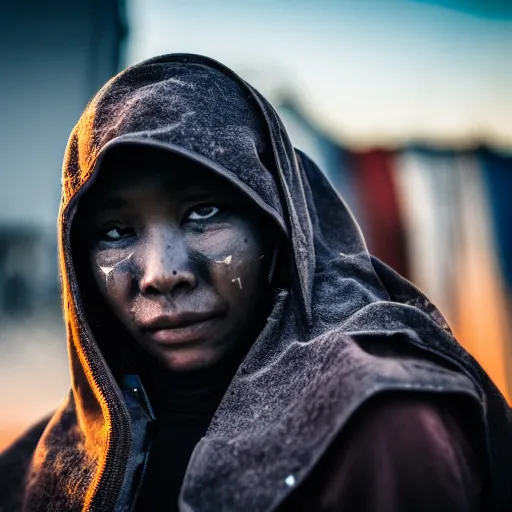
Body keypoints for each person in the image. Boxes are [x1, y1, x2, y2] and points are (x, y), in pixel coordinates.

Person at [0, 53, 510, 512]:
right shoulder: (44, 464)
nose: (162, 274)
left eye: (204, 212)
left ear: (277, 228)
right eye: (116, 231)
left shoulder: (382, 425)